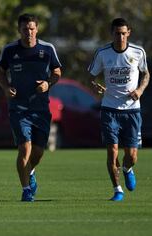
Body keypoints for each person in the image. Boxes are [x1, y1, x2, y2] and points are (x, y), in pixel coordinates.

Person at [0, 13, 62, 202]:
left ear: (37, 29)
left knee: (38, 153)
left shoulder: (48, 49)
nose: (29, 32)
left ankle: (30, 172)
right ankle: (26, 190)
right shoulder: (9, 50)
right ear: (19, 30)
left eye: (32, 29)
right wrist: (6, 87)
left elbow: (57, 72)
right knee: (25, 148)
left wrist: (48, 84)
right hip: (18, 108)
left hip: (41, 109)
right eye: (25, 29)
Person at [88, 18, 149, 201]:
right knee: (112, 151)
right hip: (109, 109)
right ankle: (117, 189)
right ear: (112, 33)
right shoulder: (103, 53)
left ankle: (128, 168)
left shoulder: (138, 52)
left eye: (123, 33)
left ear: (129, 32)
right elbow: (91, 76)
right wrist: (96, 87)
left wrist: (139, 90)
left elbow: (146, 74)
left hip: (132, 110)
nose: (120, 37)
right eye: (117, 33)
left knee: (131, 156)